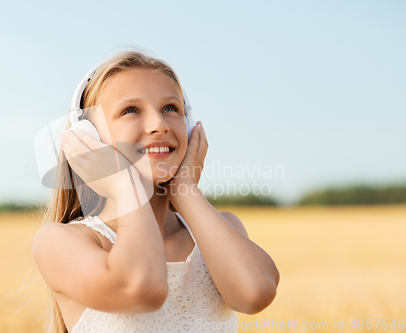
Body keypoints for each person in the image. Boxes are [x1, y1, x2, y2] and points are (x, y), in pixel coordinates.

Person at [32, 49, 280, 333]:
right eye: (131, 110)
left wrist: (185, 190)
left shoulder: (219, 229)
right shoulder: (61, 241)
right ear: (88, 137)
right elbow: (141, 289)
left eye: (170, 109)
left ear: (189, 126)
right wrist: (125, 187)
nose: (159, 125)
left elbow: (255, 293)